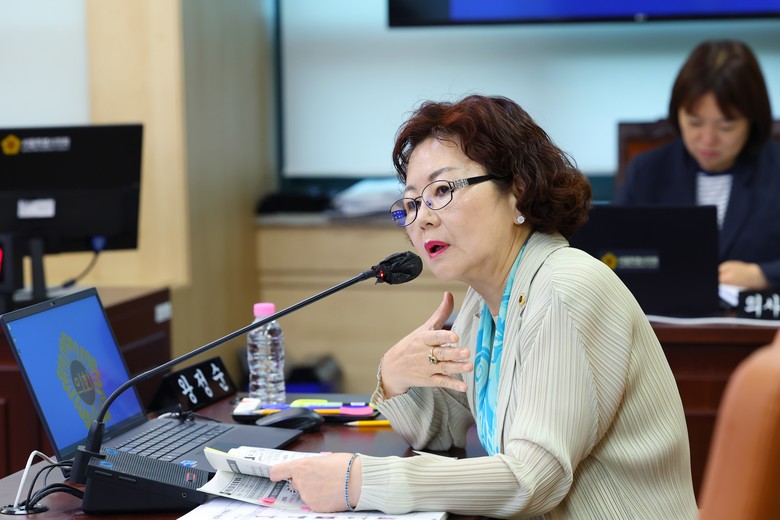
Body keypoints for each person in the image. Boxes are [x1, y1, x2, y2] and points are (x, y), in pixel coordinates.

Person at [269, 95, 697, 518]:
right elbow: (441, 432)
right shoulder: (486, 302)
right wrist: (394, 376)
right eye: (412, 203)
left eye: (442, 190)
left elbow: (533, 480)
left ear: (517, 192)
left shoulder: (565, 288)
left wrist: (361, 481)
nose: (422, 219)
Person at [614, 40, 780, 290]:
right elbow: (614, 254)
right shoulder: (647, 171)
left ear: (752, 120)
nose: (708, 139)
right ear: (677, 114)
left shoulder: (775, 170)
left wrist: (763, 275)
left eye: (726, 126)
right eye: (694, 122)